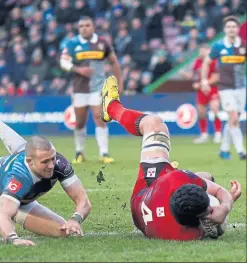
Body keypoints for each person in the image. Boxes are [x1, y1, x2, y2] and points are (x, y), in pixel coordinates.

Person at [101, 75, 241, 240]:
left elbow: (212, 198)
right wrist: (226, 206)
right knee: (207, 176)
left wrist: (224, 204)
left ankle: (111, 107)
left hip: (147, 188)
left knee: (154, 124)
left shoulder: (174, 179)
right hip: (147, 208)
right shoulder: (187, 235)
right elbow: (218, 195)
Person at [0, 99, 91, 246]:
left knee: (25, 147)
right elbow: (2, 216)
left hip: (20, 159)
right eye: (45, 162)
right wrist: (13, 239)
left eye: (52, 158)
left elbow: (84, 201)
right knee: (61, 231)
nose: (51, 165)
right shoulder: (18, 178)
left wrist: (76, 219)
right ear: (29, 162)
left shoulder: (58, 163)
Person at [60, 16, 123, 164]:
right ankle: (79, 152)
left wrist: (119, 83)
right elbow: (63, 62)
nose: (84, 28)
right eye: (81, 26)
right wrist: (78, 70)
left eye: (87, 25)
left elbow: (114, 62)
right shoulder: (72, 43)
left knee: (99, 117)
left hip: (98, 88)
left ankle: (104, 153)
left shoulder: (102, 43)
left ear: (93, 27)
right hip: (80, 89)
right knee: (80, 122)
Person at [201, 16, 246, 160]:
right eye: (229, 27)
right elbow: (206, 63)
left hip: (241, 88)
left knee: (234, 120)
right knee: (233, 117)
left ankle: (224, 150)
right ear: (225, 30)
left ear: (238, 29)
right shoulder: (218, 46)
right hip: (225, 88)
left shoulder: (244, 45)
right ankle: (241, 151)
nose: (231, 29)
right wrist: (204, 81)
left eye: (234, 26)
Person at [180, 44, 222, 144]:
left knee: (215, 110)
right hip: (201, 91)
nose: (201, 52)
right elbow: (192, 75)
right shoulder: (197, 62)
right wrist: (184, 74)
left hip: (212, 89)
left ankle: (218, 134)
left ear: (209, 51)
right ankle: (204, 135)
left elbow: (216, 77)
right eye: (200, 50)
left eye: (204, 50)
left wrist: (202, 84)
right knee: (201, 113)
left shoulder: (214, 61)